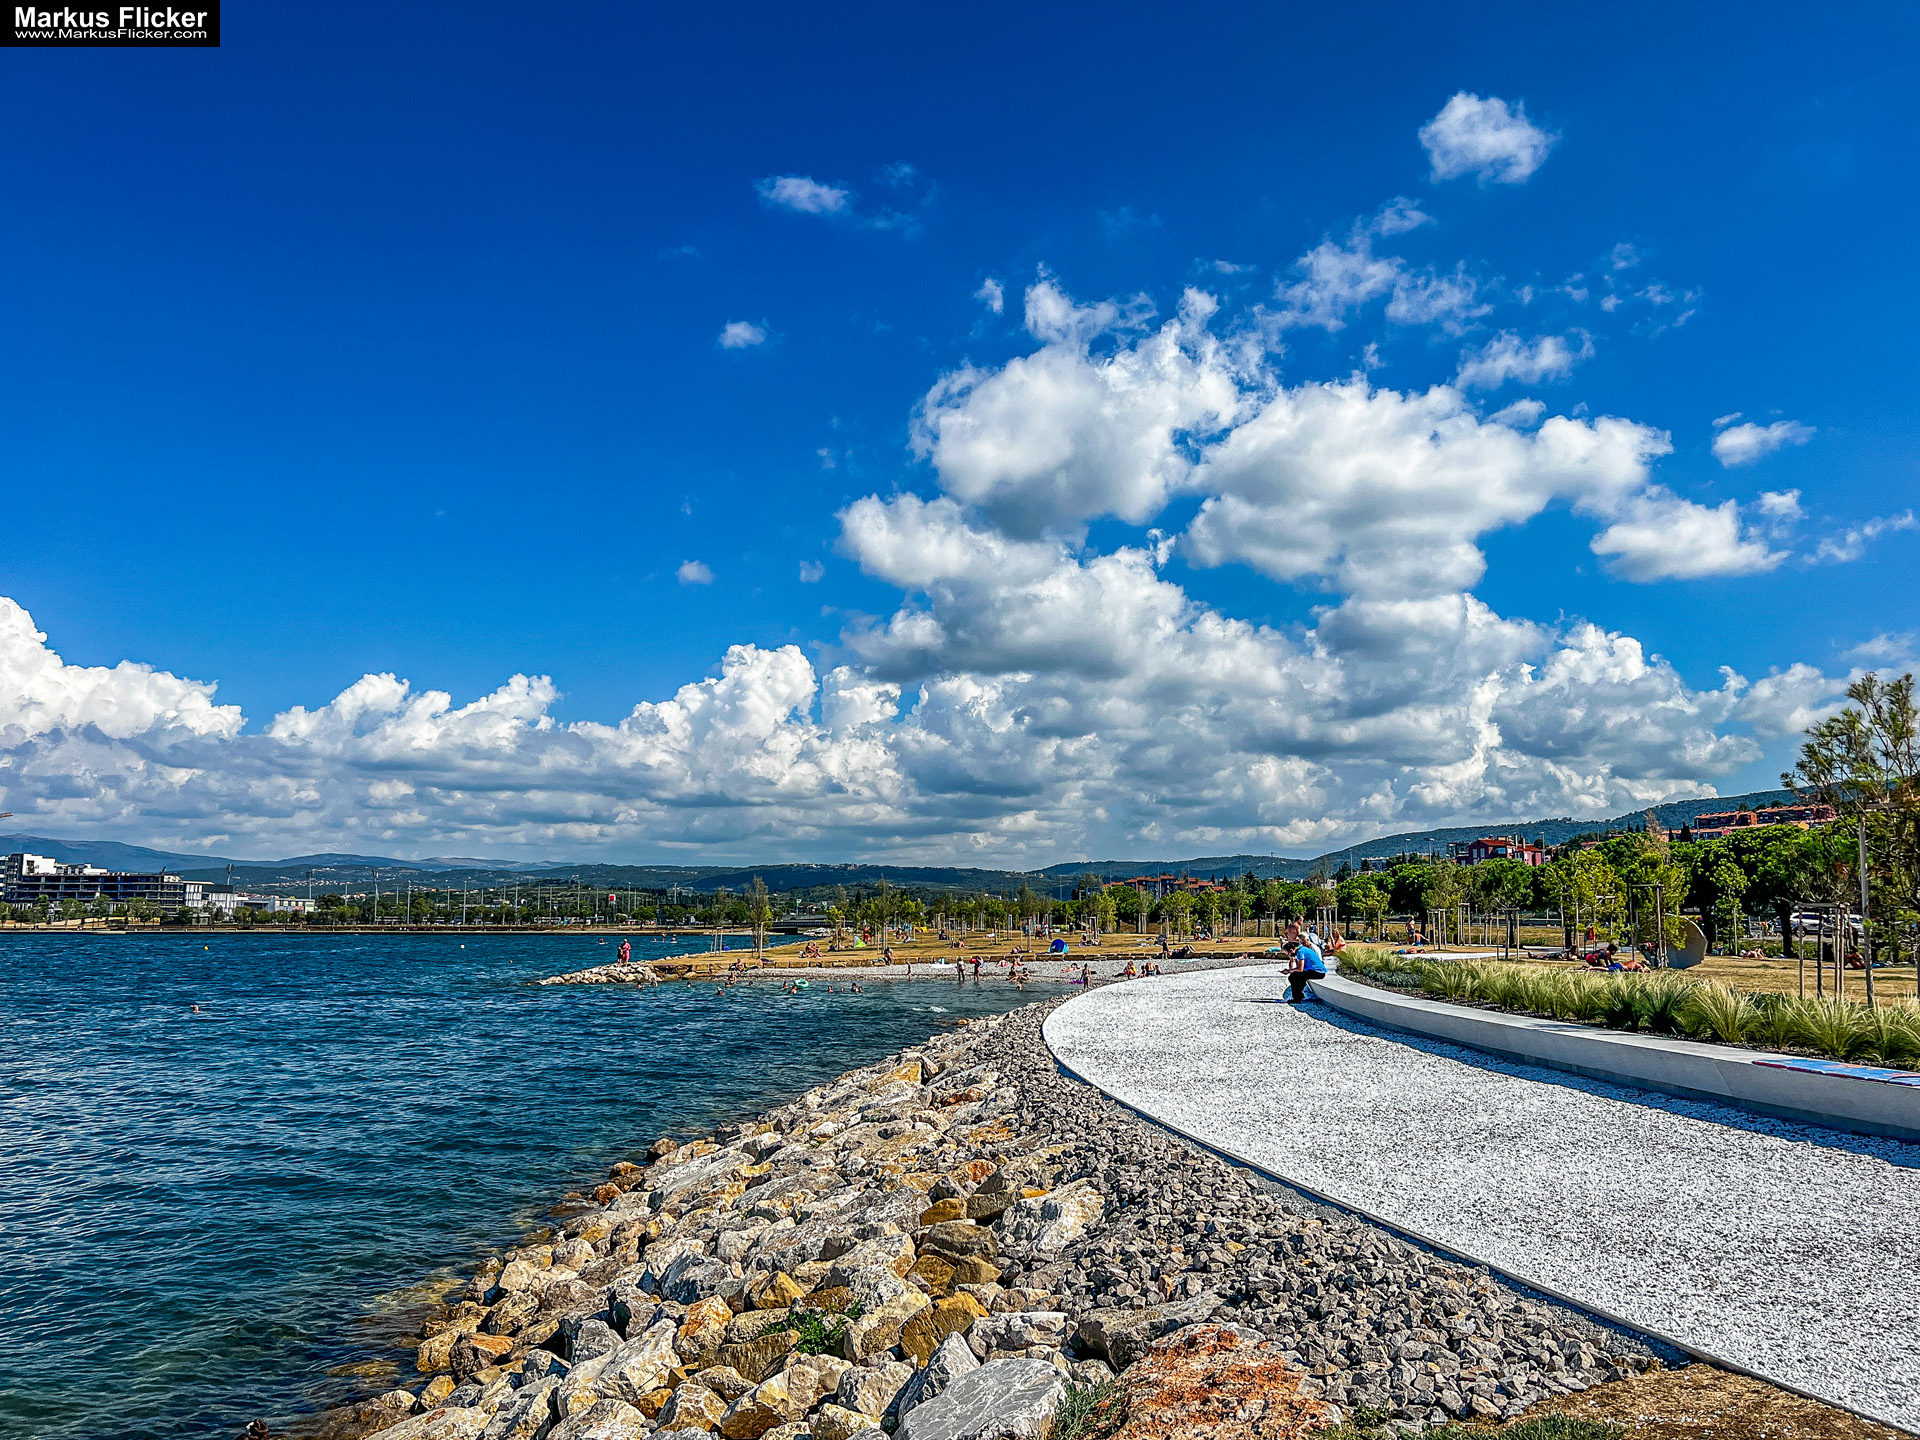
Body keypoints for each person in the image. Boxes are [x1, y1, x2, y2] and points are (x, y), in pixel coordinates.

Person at [1286, 936, 1326, 1004]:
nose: (1288, 955)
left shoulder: (1300, 952)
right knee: (1300, 976)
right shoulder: (1302, 949)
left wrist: (1289, 971)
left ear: (1291, 950)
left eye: (1287, 953)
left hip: (1318, 972)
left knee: (1293, 977)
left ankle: (1297, 998)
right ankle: (1299, 995)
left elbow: (1300, 969)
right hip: (1318, 971)